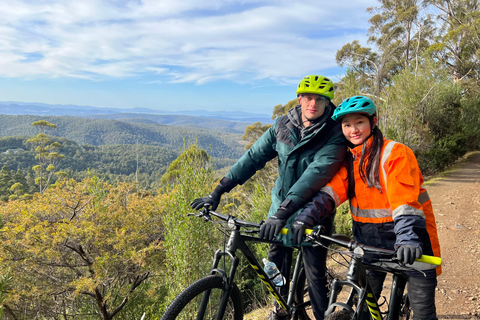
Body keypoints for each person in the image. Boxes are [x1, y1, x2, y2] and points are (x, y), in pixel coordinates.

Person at [190, 75, 347, 320]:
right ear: (299, 98)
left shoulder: (336, 133)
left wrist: (281, 213)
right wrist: (218, 191)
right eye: (308, 98)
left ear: (328, 103)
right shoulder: (282, 125)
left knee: (315, 277)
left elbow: (314, 176)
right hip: (279, 214)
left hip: (313, 216)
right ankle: (281, 311)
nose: (313, 104)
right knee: (275, 272)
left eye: (319, 99)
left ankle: (322, 315)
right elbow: (253, 158)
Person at [292, 95, 442, 320]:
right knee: (360, 310)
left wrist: (408, 238)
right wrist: (305, 218)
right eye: (347, 125)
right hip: (369, 244)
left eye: (359, 122)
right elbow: (330, 194)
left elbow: (404, 202)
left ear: (373, 122)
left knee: (423, 313)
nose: (353, 129)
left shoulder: (395, 153)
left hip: (412, 243)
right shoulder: (350, 161)